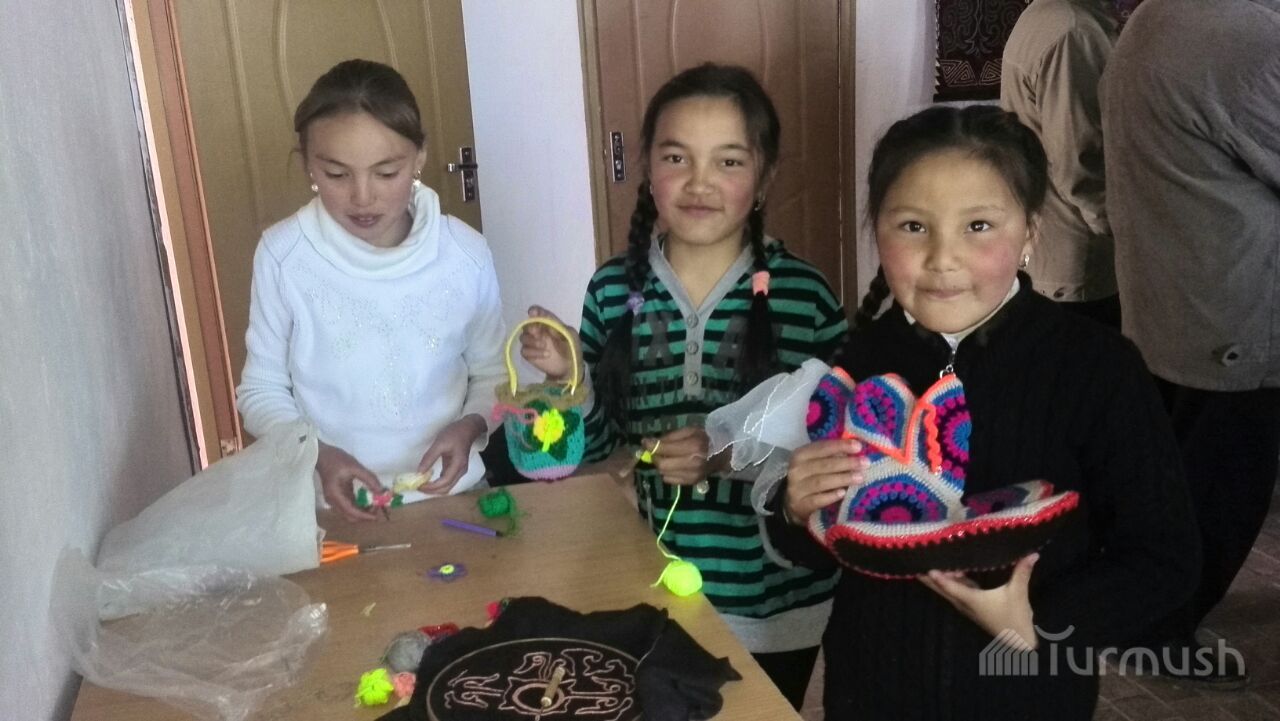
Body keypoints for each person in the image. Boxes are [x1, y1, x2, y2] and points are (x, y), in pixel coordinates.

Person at [767, 105, 1199, 719]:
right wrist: (793, 508)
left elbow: (1165, 558)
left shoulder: (1096, 368)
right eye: (913, 226)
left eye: (978, 225)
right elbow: (823, 545)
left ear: (1030, 233)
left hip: (1027, 695)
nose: (943, 257)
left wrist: (1041, 623)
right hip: (871, 692)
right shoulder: (856, 360)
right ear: (876, 229)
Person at [519, 63, 848, 709]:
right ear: (648, 169)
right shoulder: (612, 289)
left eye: (729, 161)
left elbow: (832, 449)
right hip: (653, 587)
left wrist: (721, 454)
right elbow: (599, 446)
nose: (700, 182)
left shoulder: (803, 294)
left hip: (775, 603)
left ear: (764, 178)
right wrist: (569, 378)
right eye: (677, 157)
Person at [236, 59, 507, 522]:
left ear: (419, 158)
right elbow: (261, 390)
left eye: (386, 173)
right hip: (329, 509)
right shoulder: (284, 256)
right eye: (337, 174)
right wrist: (318, 454)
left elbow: (495, 375)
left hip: (454, 499)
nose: (362, 197)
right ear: (307, 164)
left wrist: (471, 425)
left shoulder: (465, 254)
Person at [1100, 0, 1280, 684]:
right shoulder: (1244, 34)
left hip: (1176, 297)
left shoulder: (1160, 14)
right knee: (1223, 486)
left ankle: (1137, 611)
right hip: (1230, 313)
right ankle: (1156, 630)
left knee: (1177, 478)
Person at [1000, 0, 1130, 326]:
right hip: (1079, 261)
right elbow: (1081, 164)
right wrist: (1130, 236)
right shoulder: (1073, 32)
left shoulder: (1048, 16)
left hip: (1049, 249)